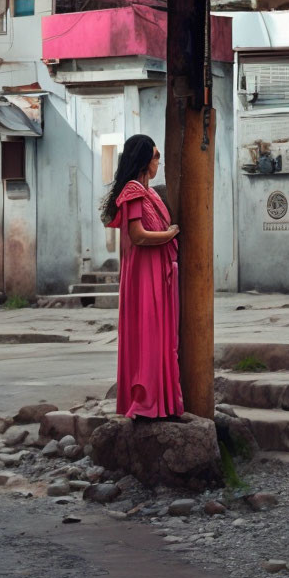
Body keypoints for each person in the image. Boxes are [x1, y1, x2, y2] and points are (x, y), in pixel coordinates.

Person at [102, 135, 184, 419]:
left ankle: (160, 402)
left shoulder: (147, 193)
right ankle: (147, 401)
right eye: (156, 156)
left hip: (153, 270)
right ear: (144, 160)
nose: (159, 161)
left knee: (160, 335)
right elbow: (138, 236)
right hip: (144, 274)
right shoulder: (134, 191)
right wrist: (171, 234)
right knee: (150, 335)